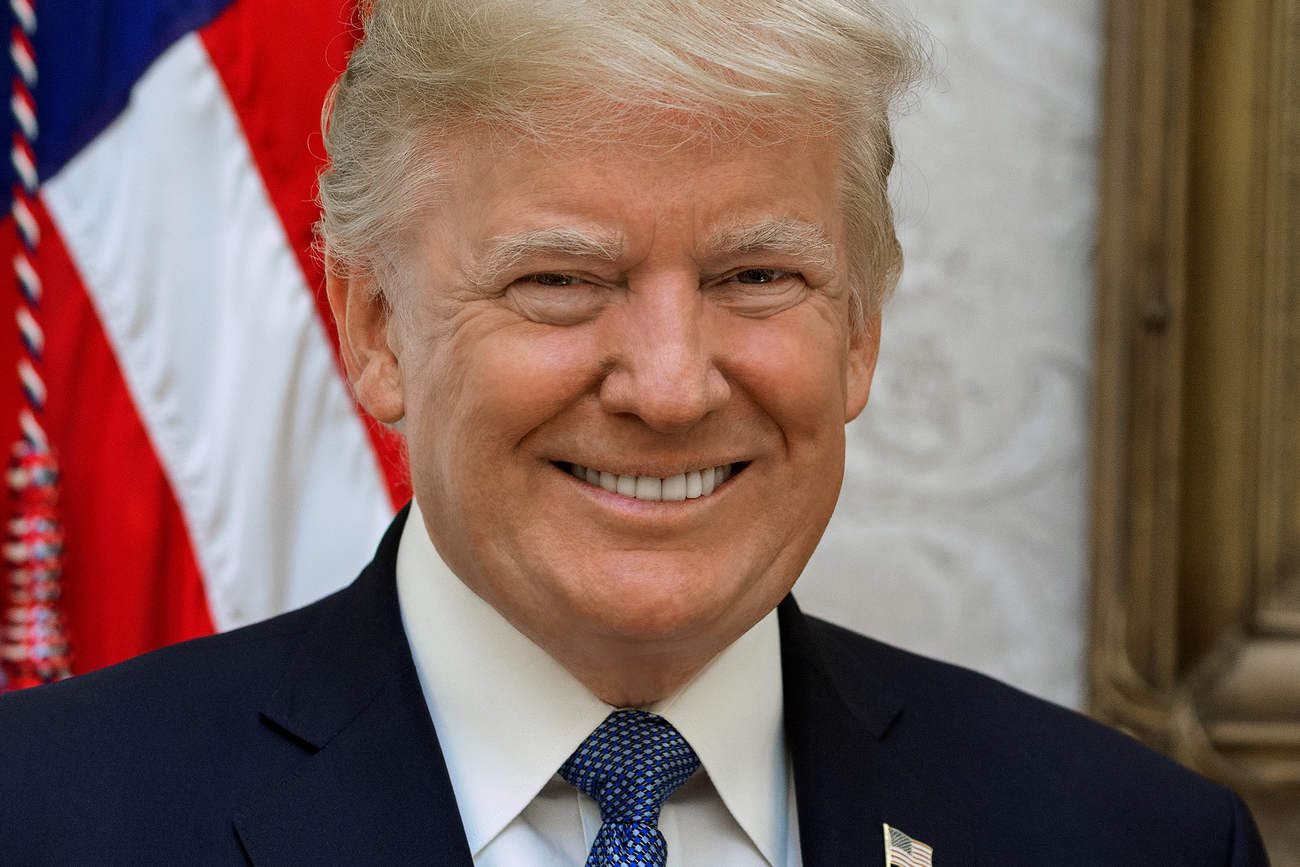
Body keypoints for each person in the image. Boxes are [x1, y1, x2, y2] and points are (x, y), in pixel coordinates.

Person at [0, 0, 1270, 864]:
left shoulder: (1125, 840)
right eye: (561, 280)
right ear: (377, 328)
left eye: (757, 277)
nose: (668, 388)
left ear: (861, 332)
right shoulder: (48, 822)